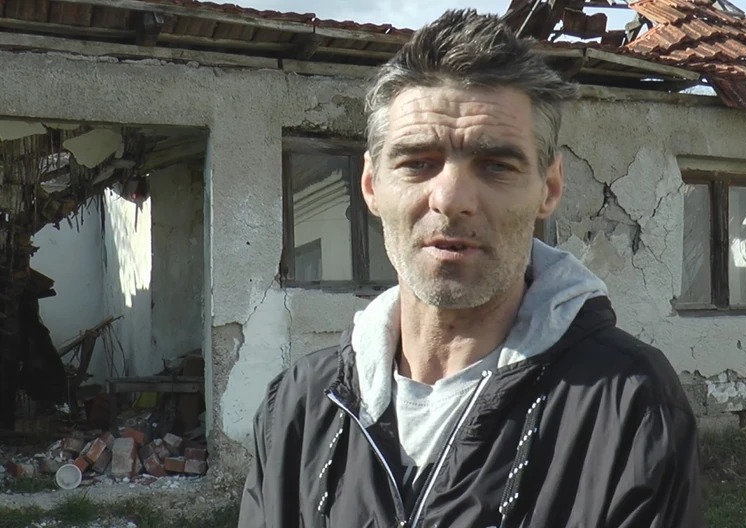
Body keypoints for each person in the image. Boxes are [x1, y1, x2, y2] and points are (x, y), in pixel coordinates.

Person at [238, 8, 702, 528]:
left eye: (496, 165)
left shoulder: (627, 403)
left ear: (549, 188)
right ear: (371, 186)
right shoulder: (300, 405)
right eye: (418, 162)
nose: (452, 199)